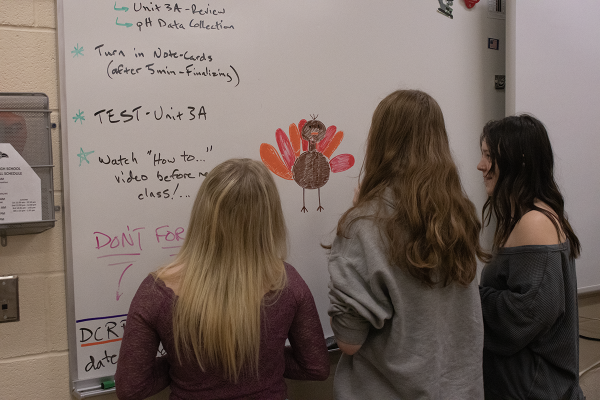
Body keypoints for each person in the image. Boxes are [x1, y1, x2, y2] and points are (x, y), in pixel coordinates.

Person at [115, 158, 329, 400]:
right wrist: (265, 361)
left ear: (202, 212)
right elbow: (316, 367)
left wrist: (181, 367)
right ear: (270, 218)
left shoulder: (156, 293)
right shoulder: (287, 283)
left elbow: (131, 387)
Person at [327, 90, 488, 399]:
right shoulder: (459, 215)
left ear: (380, 141)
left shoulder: (363, 225)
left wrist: (363, 212)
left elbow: (349, 341)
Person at [477, 115, 584, 399]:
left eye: (488, 156)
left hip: (535, 391)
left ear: (519, 161)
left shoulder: (535, 223)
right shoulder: (524, 216)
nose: (481, 165)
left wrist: (469, 297)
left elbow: (524, 316)